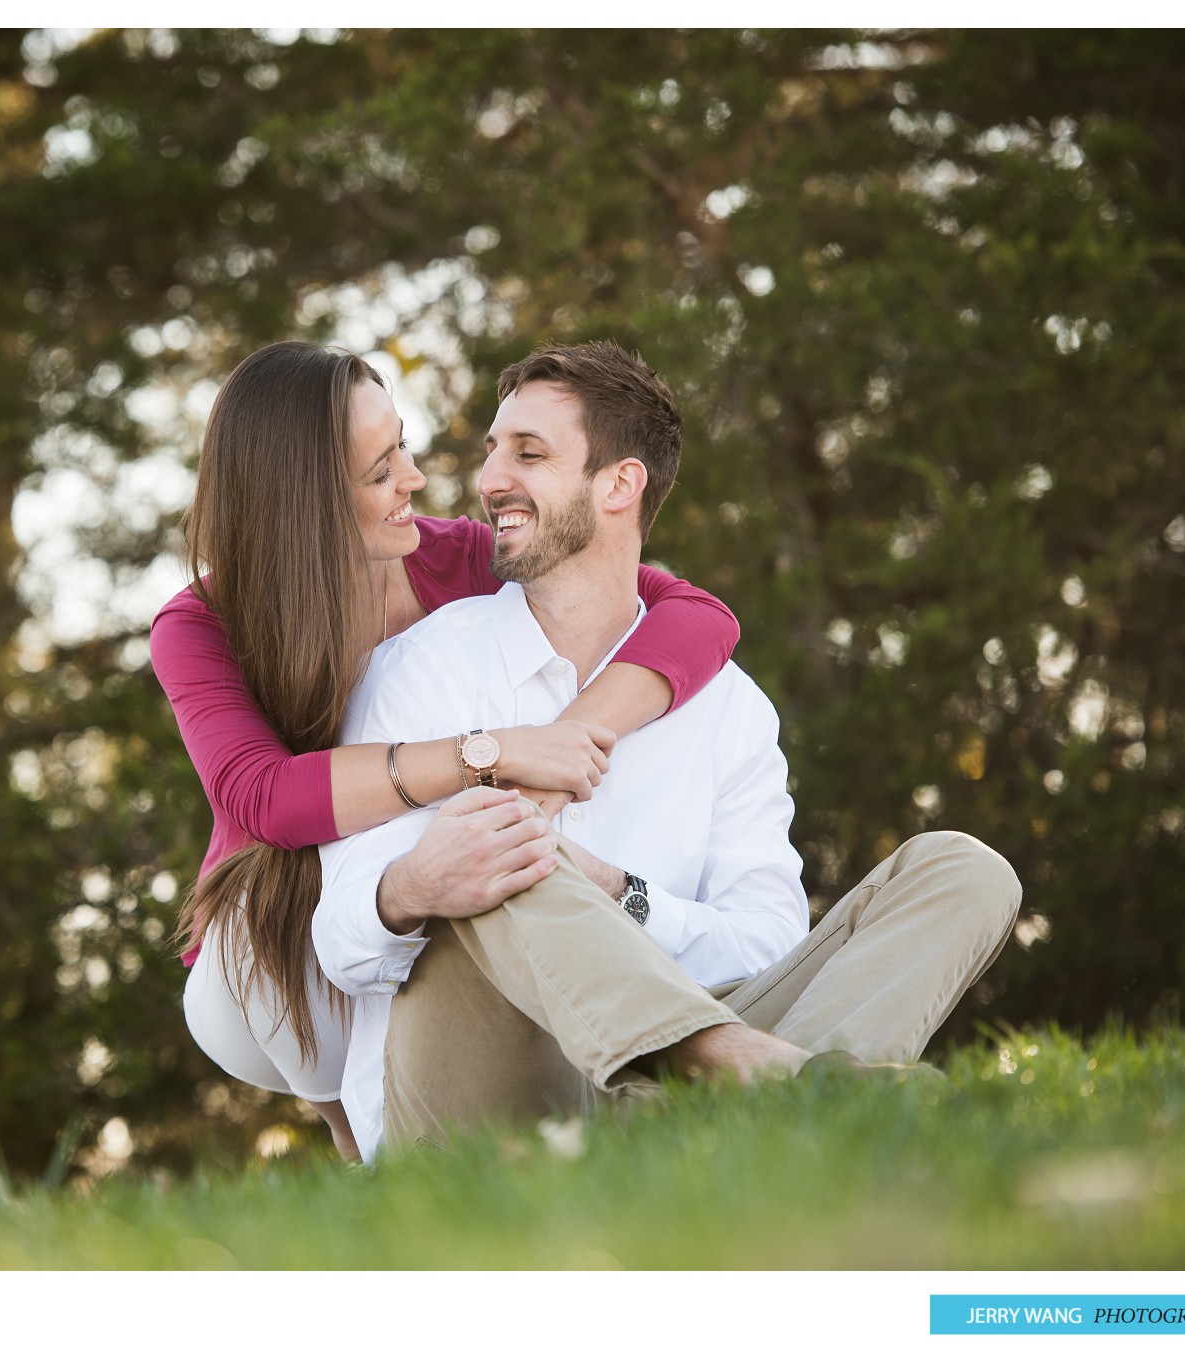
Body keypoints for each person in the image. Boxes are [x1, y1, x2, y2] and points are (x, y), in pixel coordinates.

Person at [314, 340, 1023, 1163]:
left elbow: (766, 946)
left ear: (621, 484)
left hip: (686, 1059)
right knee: (502, 844)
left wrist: (618, 891)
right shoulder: (421, 667)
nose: (489, 480)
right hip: (490, 1094)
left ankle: (751, 1115)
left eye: (529, 453)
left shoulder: (730, 710)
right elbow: (339, 939)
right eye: (493, 451)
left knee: (963, 869)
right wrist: (416, 882)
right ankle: (764, 1086)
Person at [150, 341, 744, 1160]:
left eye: (403, 445)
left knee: (494, 879)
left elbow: (700, 616)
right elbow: (263, 797)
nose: (416, 479)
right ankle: (355, 1146)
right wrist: (494, 751)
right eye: (381, 468)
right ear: (307, 500)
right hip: (271, 953)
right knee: (327, 1021)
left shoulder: (459, 556)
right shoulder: (200, 624)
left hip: (426, 894)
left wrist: (570, 742)